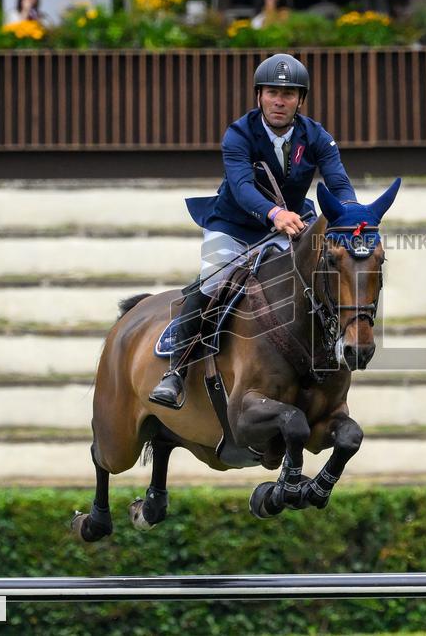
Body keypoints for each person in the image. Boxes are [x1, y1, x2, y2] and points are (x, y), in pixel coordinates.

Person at [148, 53, 358, 410]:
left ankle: (329, 351)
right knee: (214, 281)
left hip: (288, 224)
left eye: (289, 94)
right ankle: (176, 371)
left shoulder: (317, 136)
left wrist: (354, 216)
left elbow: (338, 182)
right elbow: (242, 186)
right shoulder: (239, 133)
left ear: (300, 100)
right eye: (272, 92)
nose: (280, 101)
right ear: (259, 96)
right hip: (233, 225)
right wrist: (274, 213)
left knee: (317, 275)